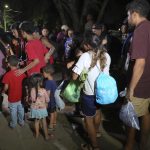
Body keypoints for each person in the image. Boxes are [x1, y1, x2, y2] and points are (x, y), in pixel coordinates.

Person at [72, 31, 111, 150]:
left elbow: (74, 77)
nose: (83, 46)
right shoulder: (106, 55)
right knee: (98, 112)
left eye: (84, 44)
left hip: (89, 94)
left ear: (88, 45)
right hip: (102, 92)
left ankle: (94, 146)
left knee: (88, 119)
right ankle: (97, 132)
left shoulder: (85, 56)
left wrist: (77, 64)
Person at [125, 0, 150, 150]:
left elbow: (140, 63)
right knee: (146, 113)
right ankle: (144, 144)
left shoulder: (140, 30)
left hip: (140, 83)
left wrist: (131, 89)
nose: (128, 19)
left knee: (130, 117)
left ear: (134, 14)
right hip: (148, 81)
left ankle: (129, 146)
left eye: (128, 15)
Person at [2, 55, 26, 128]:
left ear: (9, 64)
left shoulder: (7, 75)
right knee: (21, 110)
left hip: (12, 98)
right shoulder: (22, 73)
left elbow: (6, 87)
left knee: (13, 111)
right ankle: (21, 122)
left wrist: (3, 91)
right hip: (21, 97)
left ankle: (13, 124)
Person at [28, 73, 50, 140]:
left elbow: (32, 99)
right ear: (40, 82)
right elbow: (48, 100)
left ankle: (37, 134)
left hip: (35, 109)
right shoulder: (43, 90)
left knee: (36, 121)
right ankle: (46, 136)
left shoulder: (32, 90)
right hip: (42, 109)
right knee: (44, 122)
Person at [42, 64, 57, 131]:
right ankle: (54, 122)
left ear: (48, 73)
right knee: (53, 111)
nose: (43, 74)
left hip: (50, 100)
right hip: (54, 99)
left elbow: (47, 94)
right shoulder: (53, 80)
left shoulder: (48, 82)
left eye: (44, 72)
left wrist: (45, 102)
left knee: (51, 113)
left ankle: (50, 125)